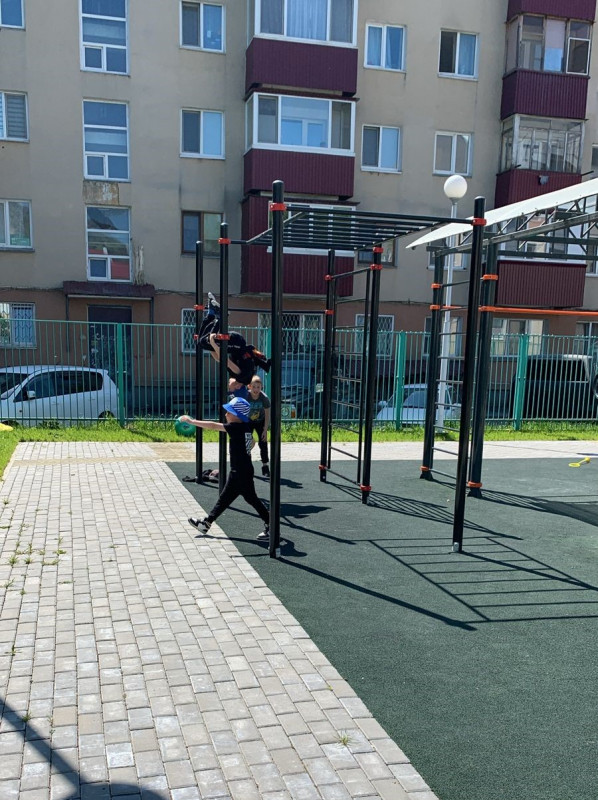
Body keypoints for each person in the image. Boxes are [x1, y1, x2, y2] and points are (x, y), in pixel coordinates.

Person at [182, 396, 270, 541]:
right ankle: (207, 523)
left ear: (237, 415)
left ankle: (271, 525)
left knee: (246, 499)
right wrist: (244, 449)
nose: (226, 414)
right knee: (229, 499)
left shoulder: (235, 427)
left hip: (240, 472)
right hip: (243, 470)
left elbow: (212, 426)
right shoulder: (245, 426)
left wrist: (191, 421)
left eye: (229, 411)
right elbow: (253, 441)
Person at [198, 293, 270, 386]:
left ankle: (211, 313)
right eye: (230, 385)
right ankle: (221, 317)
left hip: (236, 344)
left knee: (200, 342)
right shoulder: (242, 377)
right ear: (239, 386)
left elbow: (219, 359)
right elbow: (225, 360)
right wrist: (212, 342)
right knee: (204, 342)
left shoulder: (238, 376)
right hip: (237, 343)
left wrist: (211, 346)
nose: (229, 385)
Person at [247, 375, 270, 478]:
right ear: (249, 386)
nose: (256, 390)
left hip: (261, 421)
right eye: (254, 387)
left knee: (263, 442)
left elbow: (267, 415)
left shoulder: (264, 398)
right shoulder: (246, 396)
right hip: (248, 421)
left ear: (261, 387)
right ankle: (247, 465)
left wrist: (265, 430)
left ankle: (265, 466)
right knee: (247, 442)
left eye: (258, 387)